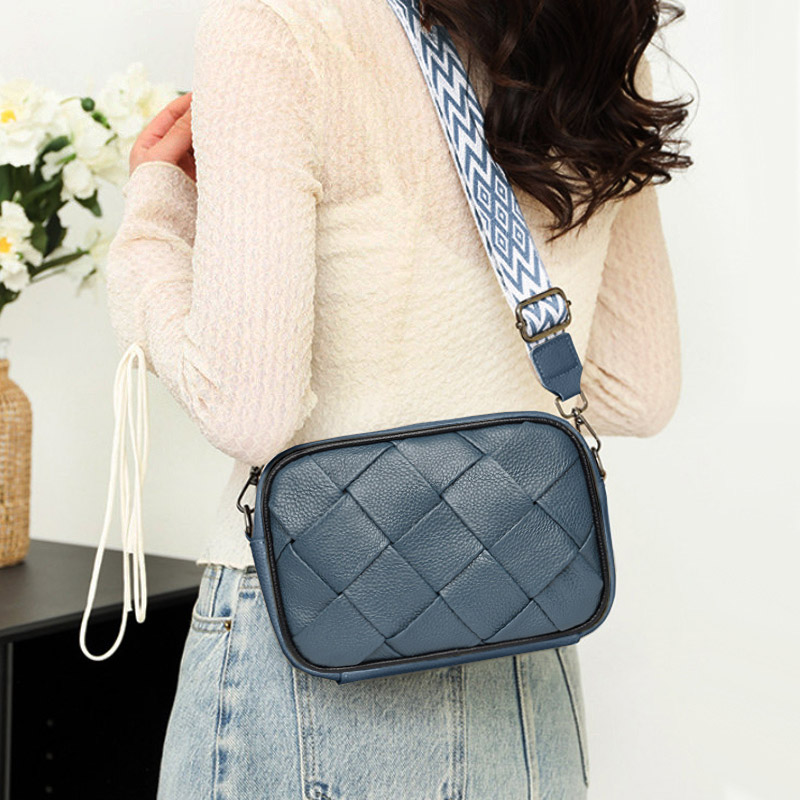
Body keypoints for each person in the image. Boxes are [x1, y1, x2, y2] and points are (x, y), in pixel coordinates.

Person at [103, 0, 690, 796]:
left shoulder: (280, 24)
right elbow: (634, 390)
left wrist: (155, 218)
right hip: (522, 635)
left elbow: (247, 410)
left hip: (311, 644)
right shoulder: (594, 36)